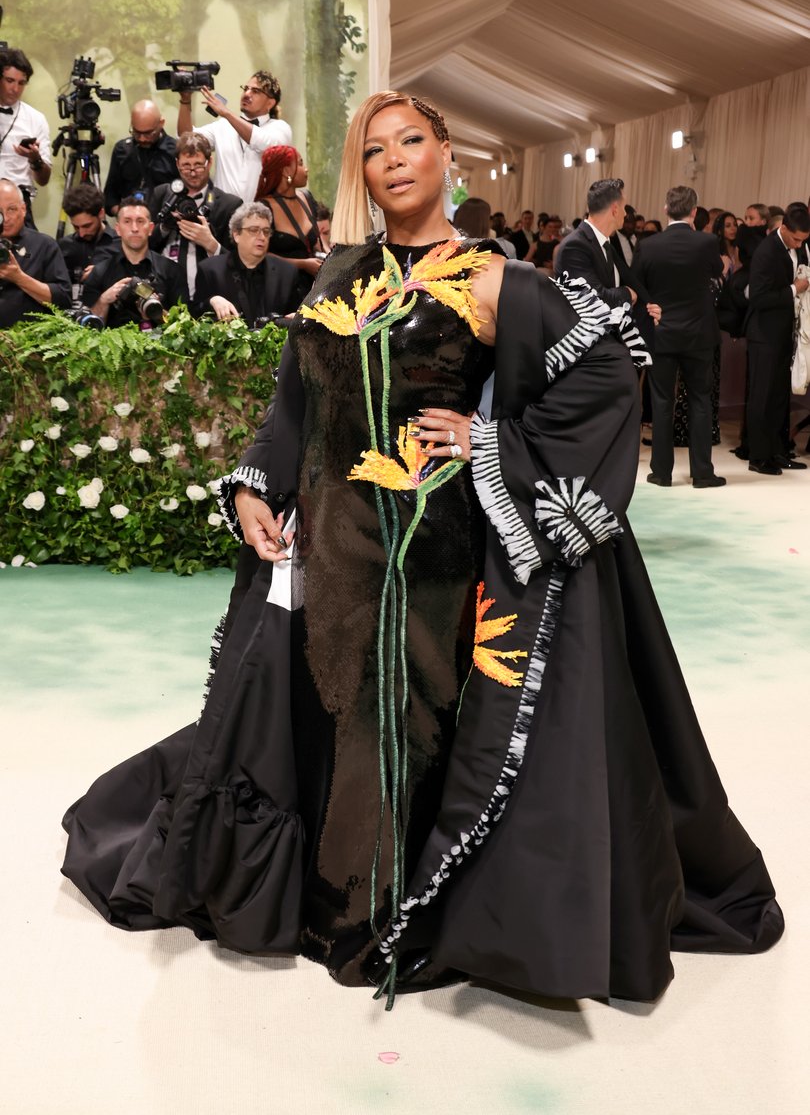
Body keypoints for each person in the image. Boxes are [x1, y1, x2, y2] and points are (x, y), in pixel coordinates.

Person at [62, 91, 783, 1009]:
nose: (393, 160)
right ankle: (333, 884)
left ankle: (375, 909)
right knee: (330, 699)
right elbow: (301, 397)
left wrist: (489, 444)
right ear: (359, 170)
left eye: (412, 142)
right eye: (374, 149)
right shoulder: (339, 270)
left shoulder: (493, 276)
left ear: (447, 155)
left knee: (403, 715)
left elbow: (604, 375)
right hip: (328, 538)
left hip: (430, 550)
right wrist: (254, 480)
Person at [634, 185, 725, 488]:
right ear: (695, 212)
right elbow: (716, 272)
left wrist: (652, 306)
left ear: (665, 210)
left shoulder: (648, 245)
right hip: (699, 333)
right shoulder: (707, 241)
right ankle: (702, 473)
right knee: (700, 400)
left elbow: (637, 282)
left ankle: (661, 472)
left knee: (661, 401)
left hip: (662, 333)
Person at [744, 202, 810, 475]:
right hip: (764, 335)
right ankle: (758, 457)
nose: (799, 244)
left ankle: (777, 451)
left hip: (784, 333)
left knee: (779, 398)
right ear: (783, 228)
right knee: (762, 397)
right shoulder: (767, 251)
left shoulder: (797, 248)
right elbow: (758, 298)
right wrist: (794, 289)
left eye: (803, 240)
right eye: (795, 238)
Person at [555, 178, 656, 345]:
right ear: (615, 209)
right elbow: (593, 299)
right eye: (624, 207)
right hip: (586, 349)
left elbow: (629, 278)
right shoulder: (574, 246)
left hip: (609, 341)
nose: (625, 213)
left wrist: (650, 306)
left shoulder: (604, 242)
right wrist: (627, 293)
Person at [149, 132, 241, 299]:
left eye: (198, 165)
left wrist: (211, 244)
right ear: (177, 164)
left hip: (210, 294)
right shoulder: (162, 194)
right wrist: (163, 228)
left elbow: (240, 263)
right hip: (164, 292)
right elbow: (146, 244)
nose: (192, 172)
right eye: (186, 165)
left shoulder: (229, 205)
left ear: (209, 162)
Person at [177, 71, 292, 203]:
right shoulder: (223, 126)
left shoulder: (280, 128)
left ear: (270, 103)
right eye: (246, 89)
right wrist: (185, 101)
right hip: (222, 213)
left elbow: (264, 143)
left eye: (255, 91)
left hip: (261, 215)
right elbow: (186, 138)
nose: (247, 94)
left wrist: (226, 113)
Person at [190, 201, 300, 326]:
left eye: (266, 231)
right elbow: (194, 315)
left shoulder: (287, 273)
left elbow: (296, 315)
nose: (262, 237)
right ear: (236, 234)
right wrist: (211, 301)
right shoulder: (210, 270)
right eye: (254, 230)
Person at [82, 196, 184, 327]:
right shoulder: (99, 273)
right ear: (118, 229)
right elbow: (88, 331)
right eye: (127, 221)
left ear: (151, 228)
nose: (134, 228)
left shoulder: (172, 271)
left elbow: (183, 328)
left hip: (159, 345)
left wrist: (156, 312)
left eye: (140, 221)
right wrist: (104, 300)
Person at [254, 145, 325, 303]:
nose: (306, 169)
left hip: (315, 288)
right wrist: (302, 264)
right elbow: (258, 254)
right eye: (300, 164)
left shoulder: (306, 197)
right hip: (282, 290)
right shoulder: (264, 207)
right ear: (286, 171)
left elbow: (317, 242)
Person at [0, 179, 71, 326]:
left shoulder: (45, 245)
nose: (5, 219)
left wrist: (19, 278)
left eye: (11, 209)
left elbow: (63, 299)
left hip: (30, 341)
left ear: (23, 209)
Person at [0, 48, 52, 226]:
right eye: (9, 81)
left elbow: (43, 179)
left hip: (19, 203)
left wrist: (35, 158)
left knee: (31, 252)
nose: (15, 89)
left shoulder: (36, 119)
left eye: (21, 83)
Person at [103, 100, 177, 215]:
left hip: (165, 224)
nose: (142, 139)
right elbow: (110, 196)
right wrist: (123, 215)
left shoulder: (175, 151)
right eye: (137, 133)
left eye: (148, 133)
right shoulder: (122, 150)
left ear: (161, 123)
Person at [58, 183, 119, 298]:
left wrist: (102, 272)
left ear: (101, 214)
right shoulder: (64, 246)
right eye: (76, 227)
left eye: (87, 226)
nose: (81, 233)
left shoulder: (120, 244)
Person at [712, 210, 742, 276]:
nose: (733, 228)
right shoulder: (715, 251)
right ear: (719, 231)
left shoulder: (740, 249)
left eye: (735, 225)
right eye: (728, 226)